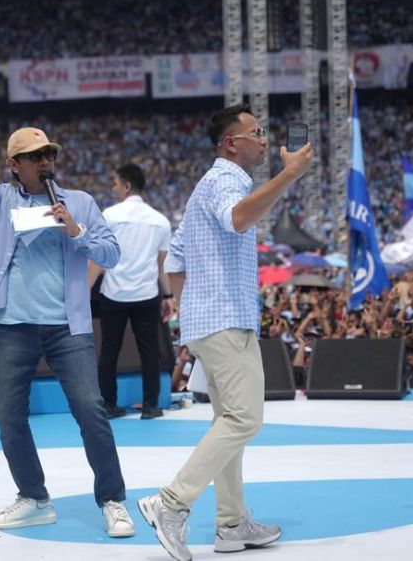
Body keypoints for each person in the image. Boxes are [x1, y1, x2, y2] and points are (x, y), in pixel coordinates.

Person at [0, 78, 135, 538]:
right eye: (36, 157)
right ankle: (33, 496)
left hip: (67, 328)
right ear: (15, 166)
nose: (46, 162)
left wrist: (77, 231)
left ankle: (112, 500)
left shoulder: (82, 203)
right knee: (9, 417)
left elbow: (112, 256)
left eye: (50, 155)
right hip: (12, 326)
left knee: (91, 411)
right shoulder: (2, 199)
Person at [139, 104, 313, 561]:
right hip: (224, 318)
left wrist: (183, 308)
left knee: (227, 421)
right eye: (255, 132)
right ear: (231, 143)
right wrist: (289, 174)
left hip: (207, 319)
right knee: (244, 419)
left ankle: (233, 524)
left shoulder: (206, 187)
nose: (263, 138)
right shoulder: (226, 179)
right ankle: (171, 503)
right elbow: (238, 218)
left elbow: (174, 258)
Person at [91, 162, 174, 419]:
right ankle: (151, 406)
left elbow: (98, 260)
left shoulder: (109, 216)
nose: (113, 188)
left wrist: (82, 292)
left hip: (114, 294)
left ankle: (109, 404)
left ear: (126, 186)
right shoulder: (161, 221)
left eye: (115, 183)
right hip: (146, 295)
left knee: (109, 351)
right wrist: (169, 296)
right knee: (149, 351)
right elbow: (161, 265)